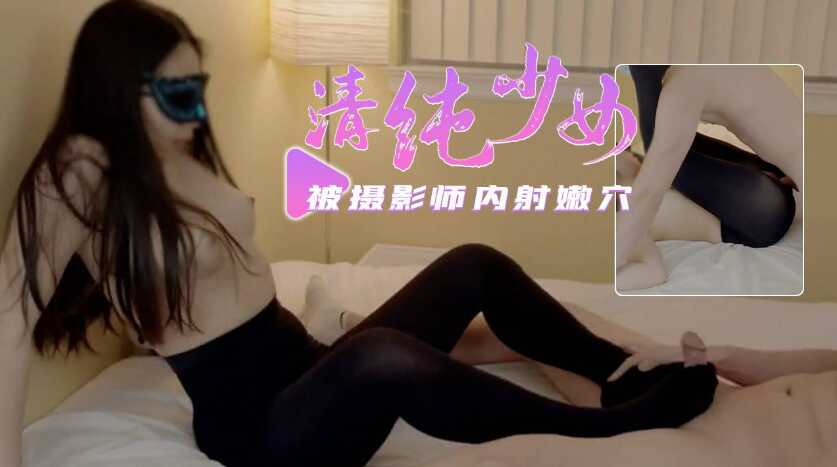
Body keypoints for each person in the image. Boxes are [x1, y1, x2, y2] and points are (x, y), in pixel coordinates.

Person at [0, 2, 717, 467]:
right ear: (116, 87)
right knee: (382, 358)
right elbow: (9, 329)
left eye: (196, 87)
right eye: (174, 91)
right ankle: (604, 431)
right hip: (259, 431)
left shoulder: (174, 150)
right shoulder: (76, 172)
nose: (195, 109)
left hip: (303, 364)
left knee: (471, 264)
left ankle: (620, 372)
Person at [615, 65, 802, 291]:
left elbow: (648, 191)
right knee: (667, 144)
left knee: (664, 147)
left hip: (765, 207)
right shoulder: (700, 71)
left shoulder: (684, 87)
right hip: (767, 197)